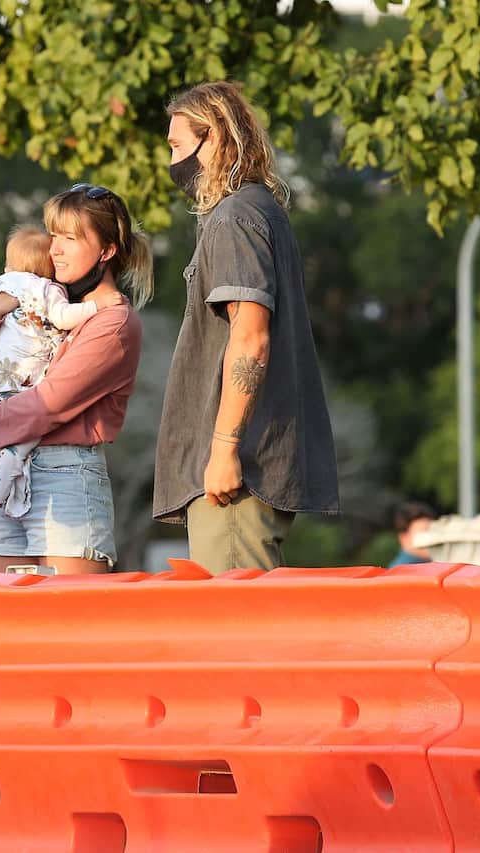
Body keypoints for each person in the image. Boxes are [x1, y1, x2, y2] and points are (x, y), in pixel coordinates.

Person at [153, 81, 339, 574]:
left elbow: (251, 337)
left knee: (235, 636)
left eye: (176, 146)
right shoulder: (260, 211)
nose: (171, 162)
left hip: (239, 476)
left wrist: (224, 450)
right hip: (246, 468)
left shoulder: (234, 218)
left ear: (212, 137)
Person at [0, 184, 152, 574]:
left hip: (64, 476)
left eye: (70, 238)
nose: (55, 249)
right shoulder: (41, 301)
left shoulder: (112, 320)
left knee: (69, 622)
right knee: (7, 620)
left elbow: (48, 404)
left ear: (107, 250)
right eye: (53, 236)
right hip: (7, 471)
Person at [0, 226, 123, 517]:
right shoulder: (46, 289)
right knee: (15, 449)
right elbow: (63, 316)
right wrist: (98, 305)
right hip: (20, 383)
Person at [388, 501, 438, 567]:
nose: (431, 537)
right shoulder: (401, 572)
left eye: (433, 530)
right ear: (403, 538)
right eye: (423, 532)